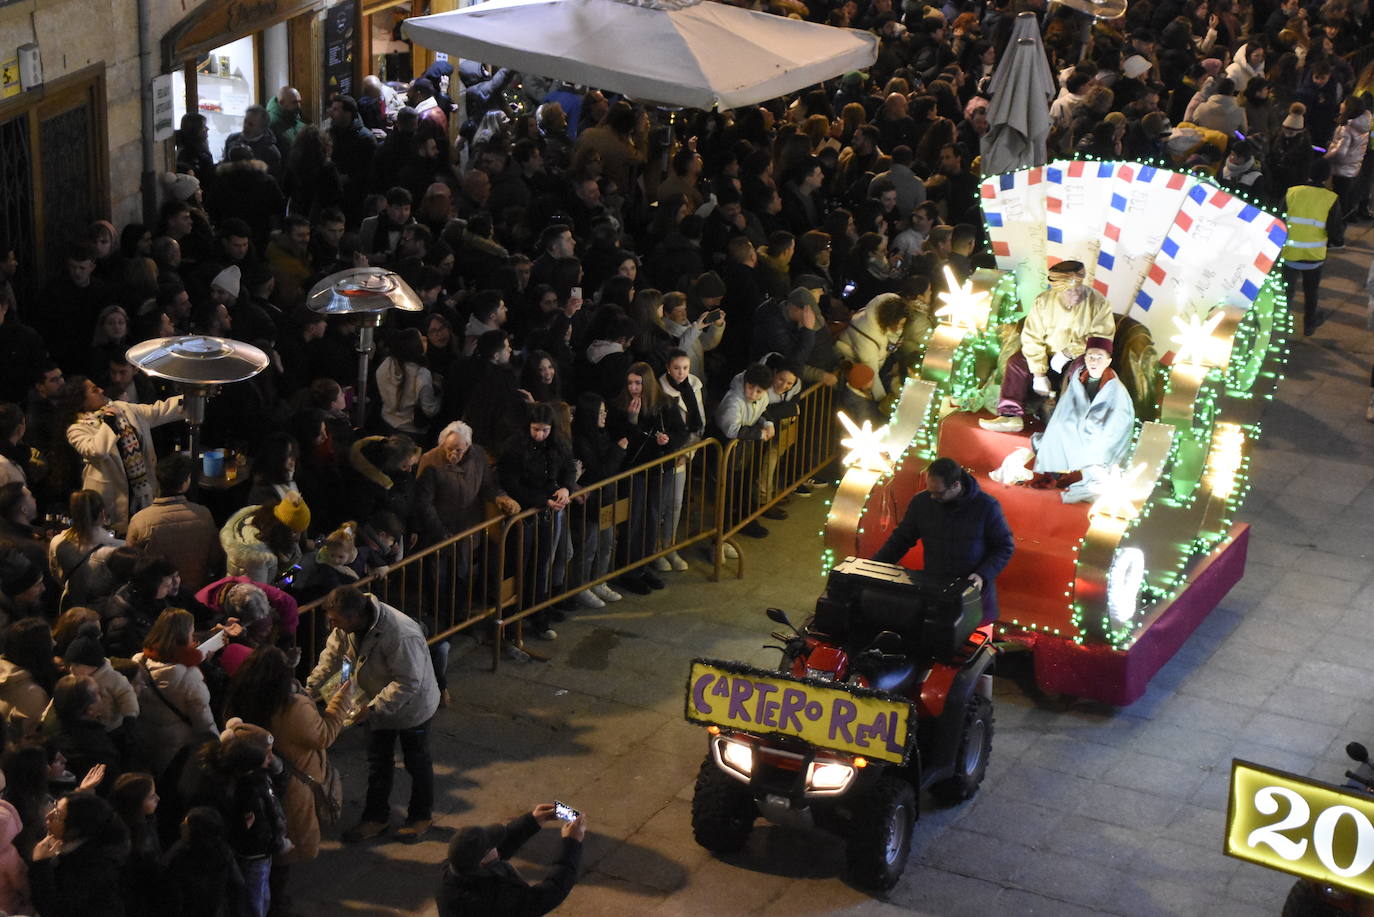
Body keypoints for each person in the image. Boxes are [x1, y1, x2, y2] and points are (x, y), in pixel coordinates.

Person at [306, 585, 440, 843]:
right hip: (373, 703)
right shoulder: (345, 628)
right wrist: (309, 689)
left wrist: (374, 708)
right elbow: (331, 659)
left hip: (413, 707)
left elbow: (409, 681)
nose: (331, 624)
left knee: (417, 761)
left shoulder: (399, 633)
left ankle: (421, 816)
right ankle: (376, 818)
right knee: (378, 763)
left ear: (353, 617)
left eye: (335, 620)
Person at [872, 456, 1015, 624]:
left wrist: (982, 575)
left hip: (973, 596)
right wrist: (874, 567)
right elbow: (901, 539)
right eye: (929, 490)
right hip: (935, 590)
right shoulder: (921, 502)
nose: (932, 497)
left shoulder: (987, 506)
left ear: (956, 485)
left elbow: (1004, 547)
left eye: (938, 493)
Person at [980, 260, 1114, 433]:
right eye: (1069, 291)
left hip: (1078, 356)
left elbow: (1100, 338)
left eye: (1078, 289)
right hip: (1046, 354)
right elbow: (1031, 337)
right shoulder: (1043, 301)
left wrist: (1068, 353)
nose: (1075, 295)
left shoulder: (1098, 303)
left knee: (1078, 371)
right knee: (1016, 363)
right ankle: (1010, 416)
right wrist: (1038, 372)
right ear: (1057, 290)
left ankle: (1068, 423)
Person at [63, 376, 184, 530]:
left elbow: (158, 411)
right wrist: (109, 423)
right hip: (110, 498)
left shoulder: (122, 408)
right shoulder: (76, 429)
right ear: (80, 401)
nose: (101, 390)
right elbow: (97, 451)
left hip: (142, 490)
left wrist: (193, 397)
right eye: (94, 390)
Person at [436, 804, 587, 916]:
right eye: (492, 846)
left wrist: (532, 821)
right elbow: (550, 893)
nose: (497, 847)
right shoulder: (496, 899)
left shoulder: (450, 872)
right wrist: (571, 844)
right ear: (482, 863)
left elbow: (498, 850)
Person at [126, 451, 222, 592]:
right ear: (185, 483)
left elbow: (130, 564)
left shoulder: (140, 520)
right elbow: (216, 559)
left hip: (157, 594)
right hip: (196, 592)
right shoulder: (203, 515)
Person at [28, 792, 131, 917]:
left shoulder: (94, 865)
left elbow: (54, 909)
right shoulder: (74, 844)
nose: (48, 816)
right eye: (54, 806)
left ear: (74, 831)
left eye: (57, 815)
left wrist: (39, 865)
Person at [1282, 160, 1341, 336]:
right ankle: (1309, 324)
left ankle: (1281, 324)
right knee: (1311, 291)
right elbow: (1335, 229)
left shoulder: (1292, 192)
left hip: (1289, 252)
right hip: (1314, 255)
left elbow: (1279, 218)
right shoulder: (1331, 198)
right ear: (1327, 177)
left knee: (1286, 291)